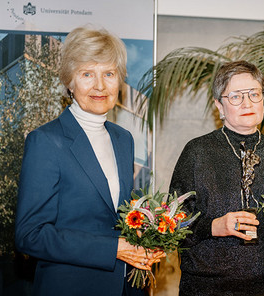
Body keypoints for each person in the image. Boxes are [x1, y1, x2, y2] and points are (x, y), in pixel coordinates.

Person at [15, 26, 163, 296]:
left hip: (125, 286)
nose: (99, 85)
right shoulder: (45, 140)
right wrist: (114, 248)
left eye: (109, 74)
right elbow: (30, 235)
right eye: (87, 74)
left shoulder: (123, 139)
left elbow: (118, 216)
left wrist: (146, 239)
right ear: (70, 82)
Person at [169, 60, 264, 296]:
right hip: (206, 287)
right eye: (235, 96)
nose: (247, 103)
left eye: (254, 94)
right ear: (219, 106)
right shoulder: (197, 151)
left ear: (263, 99)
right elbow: (172, 223)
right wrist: (215, 226)